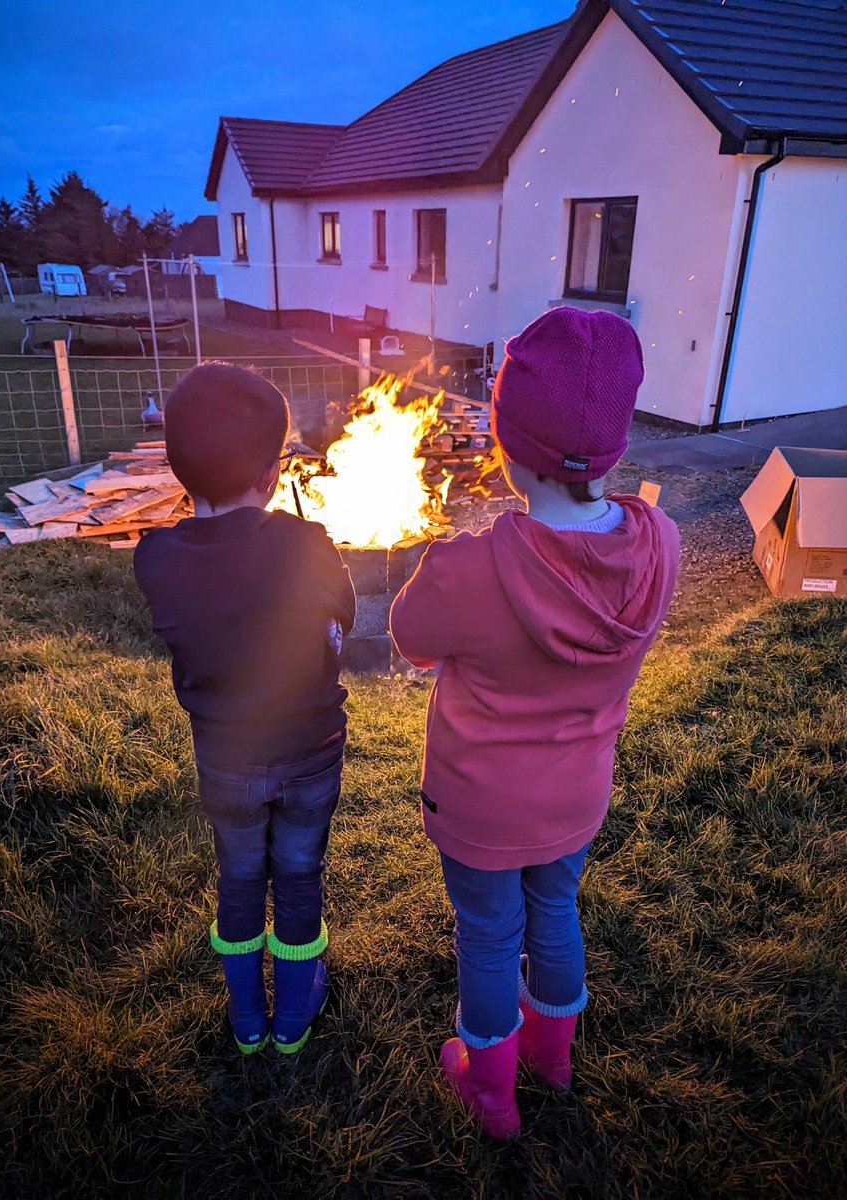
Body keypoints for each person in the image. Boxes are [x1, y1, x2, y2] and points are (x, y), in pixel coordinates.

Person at [390, 307, 679, 1138]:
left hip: (479, 809)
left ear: (505, 445)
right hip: (575, 798)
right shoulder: (658, 542)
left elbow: (410, 641)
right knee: (555, 913)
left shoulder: (466, 567)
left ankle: (492, 1093)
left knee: (487, 938)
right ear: (615, 443)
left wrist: (441, 561)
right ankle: (553, 1058)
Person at [134, 362, 355, 1056]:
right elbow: (341, 619)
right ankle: (294, 1016)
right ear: (272, 474)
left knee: (238, 877)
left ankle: (247, 1020)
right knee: (297, 876)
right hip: (311, 752)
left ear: (176, 471)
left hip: (224, 758)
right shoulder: (307, 542)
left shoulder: (155, 557)